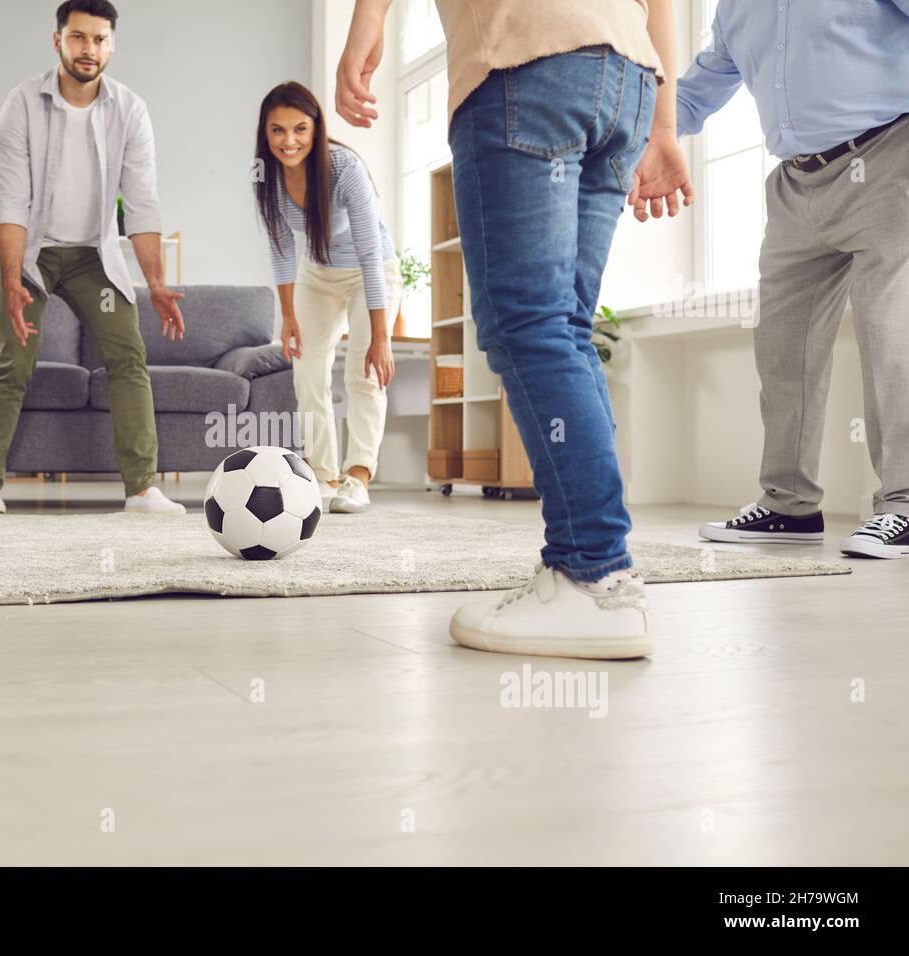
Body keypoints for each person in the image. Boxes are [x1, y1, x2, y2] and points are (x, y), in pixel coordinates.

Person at [337, 0, 691, 659]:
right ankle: (595, 572)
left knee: (530, 326)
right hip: (629, 80)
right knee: (564, 329)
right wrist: (664, 123)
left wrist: (368, 19)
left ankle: (592, 575)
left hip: (528, 58)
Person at [666, 0, 909, 560]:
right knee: (782, 348)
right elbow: (694, 95)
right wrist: (625, 131)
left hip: (888, 155)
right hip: (795, 184)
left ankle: (903, 504)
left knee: (890, 334)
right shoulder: (735, 10)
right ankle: (788, 505)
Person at [0, 0, 187, 515]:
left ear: (112, 44)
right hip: (30, 253)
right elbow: (10, 201)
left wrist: (154, 282)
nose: (90, 49)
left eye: (100, 39)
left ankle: (141, 488)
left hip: (94, 258)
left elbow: (142, 201)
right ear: (58, 41)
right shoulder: (20, 103)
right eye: (79, 37)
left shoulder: (130, 109)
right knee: (13, 360)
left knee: (128, 357)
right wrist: (17, 274)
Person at [254, 81, 402, 514]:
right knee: (307, 372)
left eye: (300, 129)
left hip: (369, 273)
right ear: (265, 133)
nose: (289, 141)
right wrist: (288, 315)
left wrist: (381, 335)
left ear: (316, 128)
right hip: (316, 276)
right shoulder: (264, 175)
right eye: (277, 131)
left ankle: (358, 476)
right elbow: (281, 249)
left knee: (363, 372)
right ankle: (323, 474)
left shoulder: (345, 168)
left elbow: (371, 250)